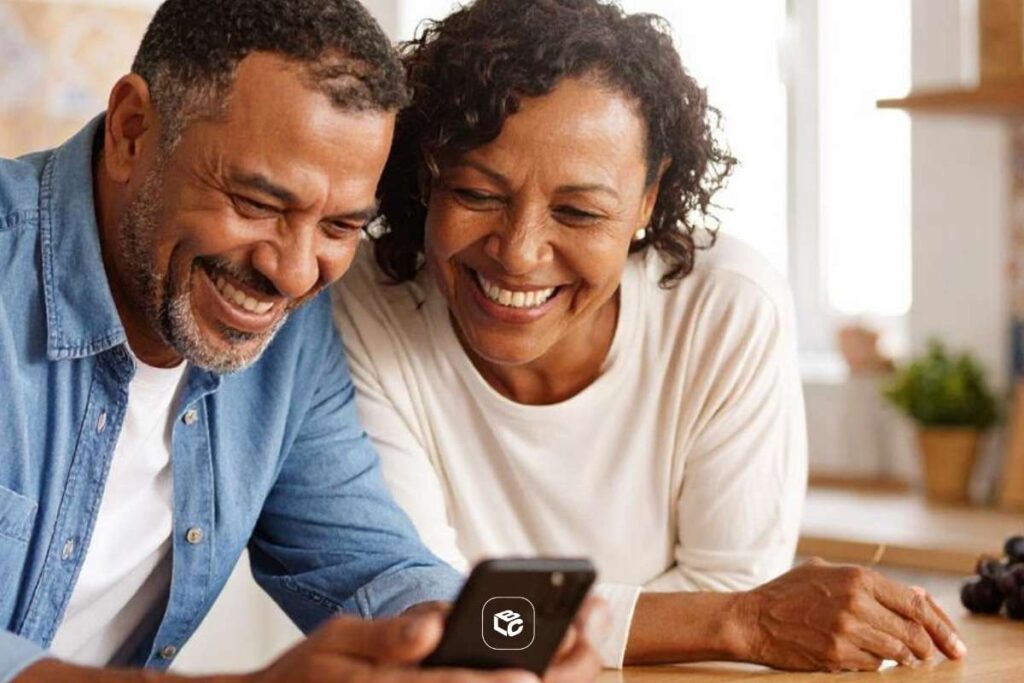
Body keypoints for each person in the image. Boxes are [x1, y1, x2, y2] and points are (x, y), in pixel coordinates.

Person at [332, 0, 966, 673]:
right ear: (427, 172)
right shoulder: (364, 305)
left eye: (577, 211)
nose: (518, 253)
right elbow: (427, 614)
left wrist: (724, 614)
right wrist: (730, 620)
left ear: (648, 201)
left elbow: (730, 580)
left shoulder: (724, 309)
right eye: (477, 194)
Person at [0, 1, 603, 682]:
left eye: (340, 228)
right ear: (133, 131)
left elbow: (369, 563)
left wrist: (471, 644)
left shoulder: (288, 334)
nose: (292, 271)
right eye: (257, 204)